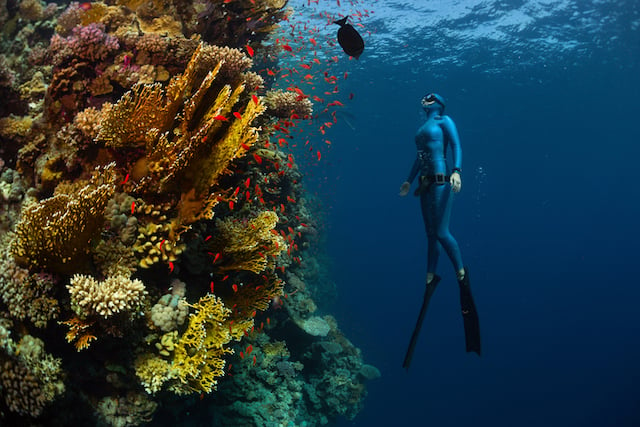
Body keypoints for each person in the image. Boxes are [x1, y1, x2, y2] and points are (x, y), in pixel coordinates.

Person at [400, 93, 480, 367]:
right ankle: (430, 275)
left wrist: (457, 170)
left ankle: (460, 273)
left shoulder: (446, 121)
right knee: (430, 235)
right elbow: (418, 158)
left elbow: (456, 146)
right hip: (424, 185)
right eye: (423, 97)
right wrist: (408, 181)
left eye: (430, 97)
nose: (425, 99)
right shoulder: (423, 129)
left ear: (440, 103)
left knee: (442, 232)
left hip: (443, 181)